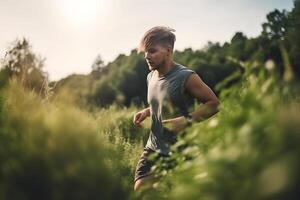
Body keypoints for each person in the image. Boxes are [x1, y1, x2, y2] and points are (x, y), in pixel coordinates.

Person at [133, 26, 220, 191]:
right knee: (141, 190)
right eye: (145, 52)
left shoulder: (186, 77)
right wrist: (147, 111)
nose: (147, 56)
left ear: (168, 50)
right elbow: (162, 101)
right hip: (153, 146)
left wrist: (186, 121)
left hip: (179, 151)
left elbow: (214, 104)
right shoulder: (150, 76)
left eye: (152, 51)